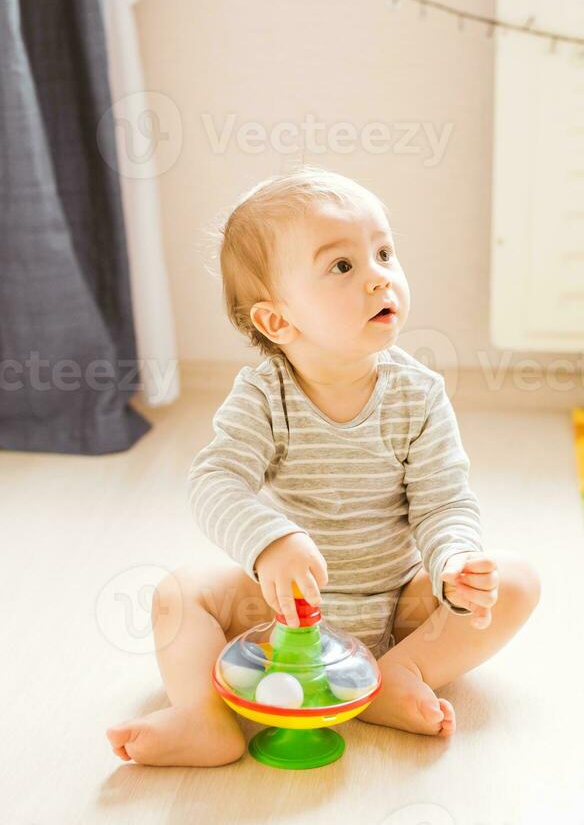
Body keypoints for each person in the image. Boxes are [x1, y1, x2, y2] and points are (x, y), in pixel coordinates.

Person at [106, 165, 541, 766]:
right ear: (277, 321)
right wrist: (269, 544)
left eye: (384, 253)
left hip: (398, 603)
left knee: (517, 581)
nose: (378, 279)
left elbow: (443, 501)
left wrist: (455, 564)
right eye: (343, 266)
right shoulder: (264, 395)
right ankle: (204, 720)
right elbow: (216, 479)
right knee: (179, 594)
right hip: (283, 613)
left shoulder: (419, 393)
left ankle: (396, 675)